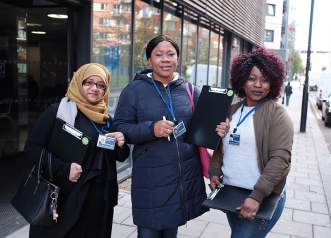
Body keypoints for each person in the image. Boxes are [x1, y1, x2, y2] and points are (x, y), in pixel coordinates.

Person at [113, 35, 229, 238]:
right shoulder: (133, 91)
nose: (165, 59)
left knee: (170, 233)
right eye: (158, 54)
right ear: (149, 60)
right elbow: (120, 128)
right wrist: (151, 129)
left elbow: (203, 130)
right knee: (148, 233)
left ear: (178, 58)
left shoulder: (190, 91)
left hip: (181, 181)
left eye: (170, 54)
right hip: (150, 181)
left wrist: (220, 129)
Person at [24, 63, 130, 238]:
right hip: (66, 198)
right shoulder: (58, 112)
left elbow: (118, 157)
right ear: (78, 83)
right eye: (88, 82)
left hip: (98, 201)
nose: (94, 88)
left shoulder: (107, 120)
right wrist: (64, 168)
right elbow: (31, 148)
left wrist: (121, 144)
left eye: (100, 85)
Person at [209, 47, 293, 238]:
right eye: (252, 78)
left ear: (273, 83)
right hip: (231, 194)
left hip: (260, 198)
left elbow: (280, 160)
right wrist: (215, 171)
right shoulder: (232, 110)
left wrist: (257, 196)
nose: (258, 85)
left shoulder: (278, 115)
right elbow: (221, 148)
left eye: (264, 80)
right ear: (242, 81)